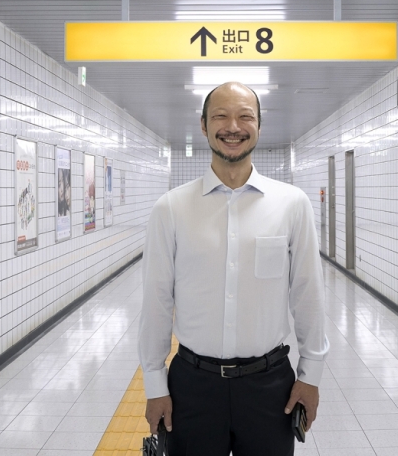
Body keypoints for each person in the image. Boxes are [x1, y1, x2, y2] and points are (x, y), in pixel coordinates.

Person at [139, 82, 329, 456]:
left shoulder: (292, 204)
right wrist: (154, 384)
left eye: (245, 116)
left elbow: (308, 294)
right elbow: (156, 301)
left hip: (270, 388)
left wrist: (311, 376)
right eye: (220, 116)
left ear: (259, 124)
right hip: (192, 387)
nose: (233, 127)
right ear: (203, 125)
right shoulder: (171, 209)